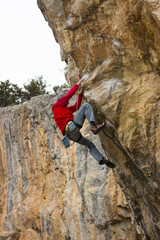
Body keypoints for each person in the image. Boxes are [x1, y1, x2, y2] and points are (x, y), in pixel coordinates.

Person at [52, 78, 115, 168]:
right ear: (61, 100)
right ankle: (94, 127)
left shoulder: (64, 109)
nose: (67, 103)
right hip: (71, 127)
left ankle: (101, 159)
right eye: (66, 101)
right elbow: (69, 95)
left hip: (71, 136)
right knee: (86, 106)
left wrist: (80, 95)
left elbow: (76, 106)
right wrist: (77, 84)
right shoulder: (58, 105)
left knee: (90, 145)